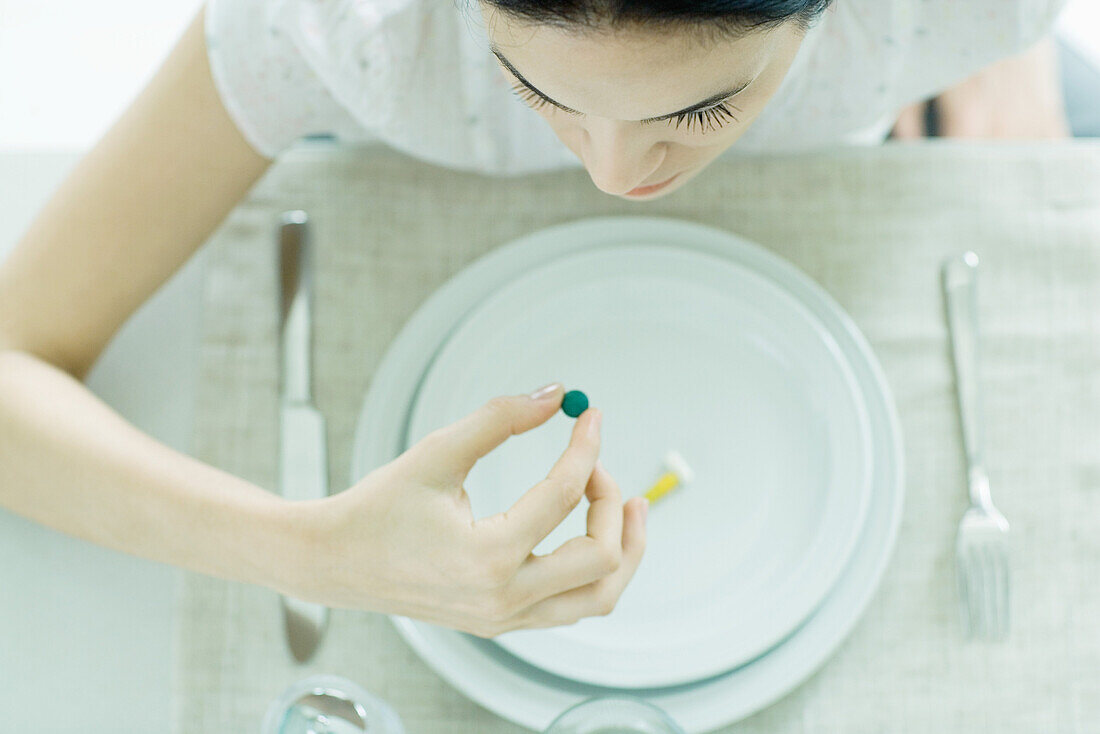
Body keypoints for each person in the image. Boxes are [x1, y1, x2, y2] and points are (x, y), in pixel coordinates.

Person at [0, 0, 1077, 638]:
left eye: (700, 110)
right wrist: (318, 551)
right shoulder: (340, 25)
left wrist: (996, 42)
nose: (611, 173)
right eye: (531, 84)